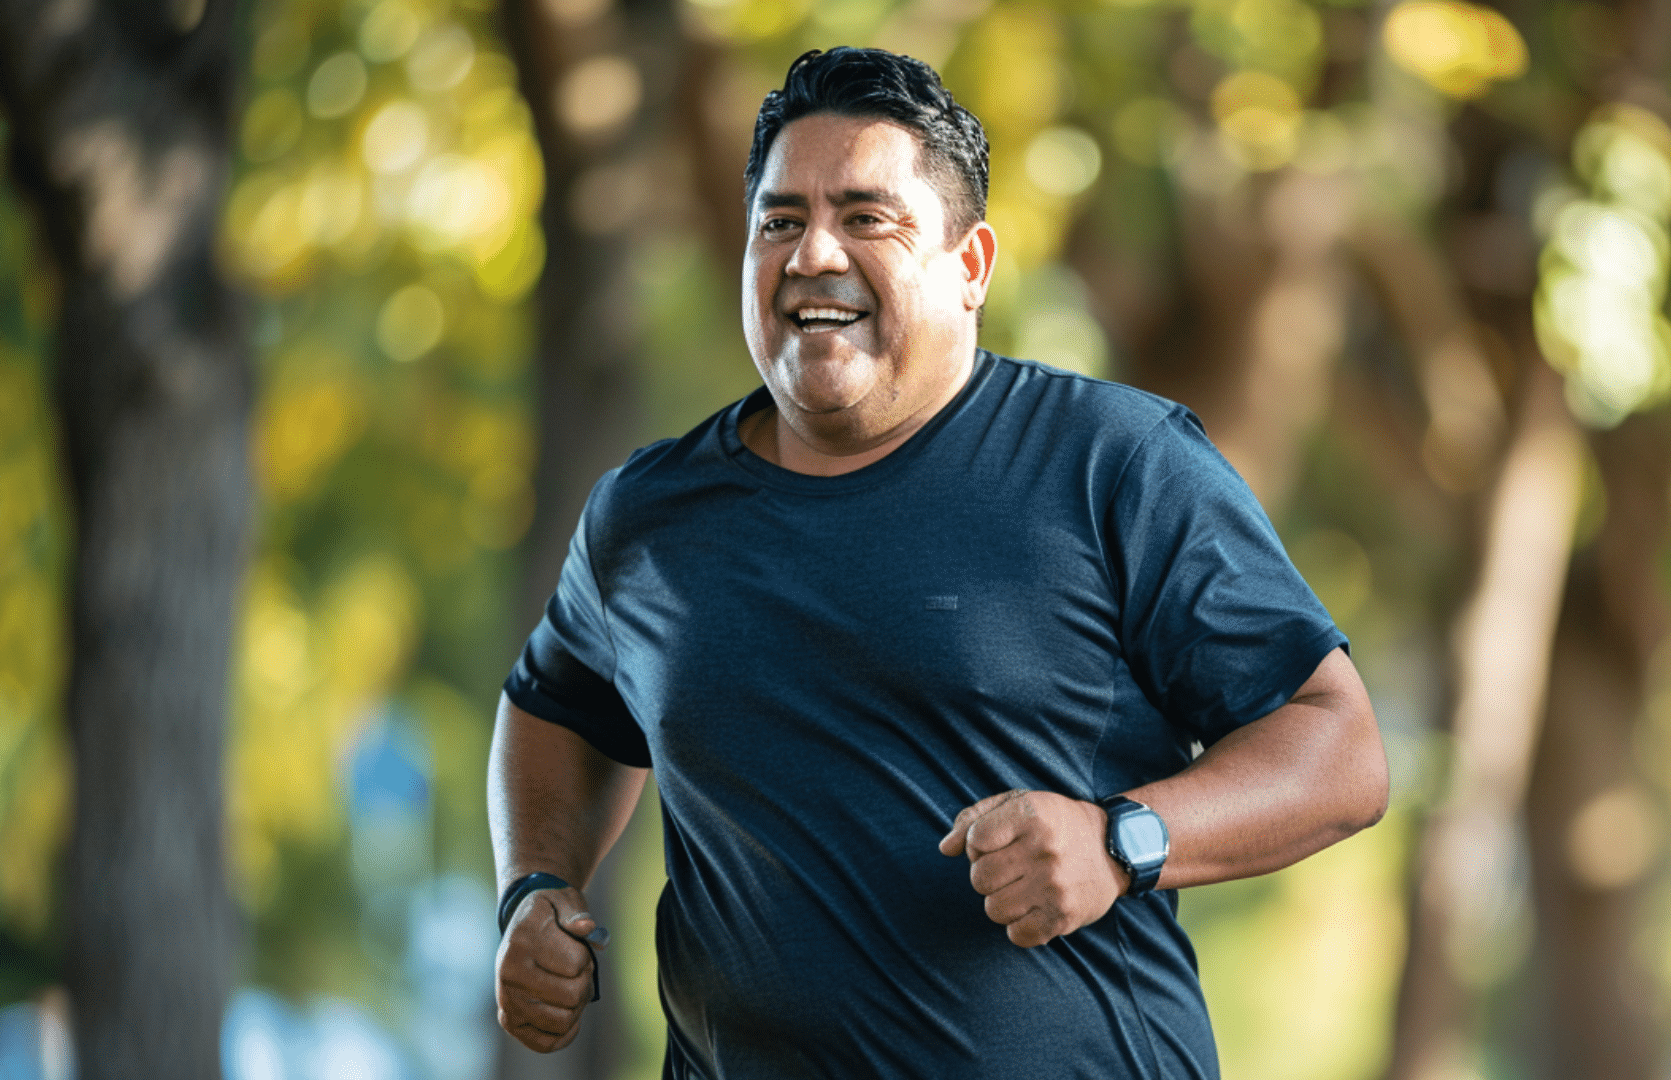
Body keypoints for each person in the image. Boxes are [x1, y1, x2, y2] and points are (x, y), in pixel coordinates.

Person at [487, 46, 1388, 1079]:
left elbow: (1340, 751)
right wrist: (534, 886)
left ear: (971, 267)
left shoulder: (1113, 464)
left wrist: (1119, 842)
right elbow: (555, 707)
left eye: (867, 218)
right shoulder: (647, 518)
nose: (813, 253)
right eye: (780, 221)